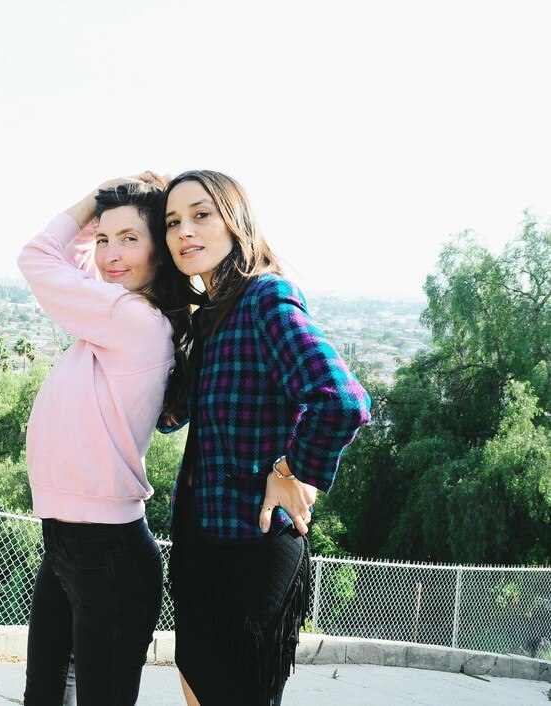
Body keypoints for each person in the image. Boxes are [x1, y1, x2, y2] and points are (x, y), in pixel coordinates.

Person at [156, 170, 371, 706]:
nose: (185, 231)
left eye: (201, 215)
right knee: (199, 683)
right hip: (200, 539)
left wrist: (292, 471)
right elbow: (168, 415)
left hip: (252, 542)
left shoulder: (264, 299)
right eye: (172, 221)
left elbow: (342, 398)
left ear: (237, 224)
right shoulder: (210, 316)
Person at [16, 175, 188, 705]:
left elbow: (38, 256)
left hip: (106, 550)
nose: (111, 254)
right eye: (104, 239)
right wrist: (115, 211)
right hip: (69, 541)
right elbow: (72, 258)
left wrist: (97, 197)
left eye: (131, 239)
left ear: (161, 248)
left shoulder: (133, 318)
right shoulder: (115, 308)